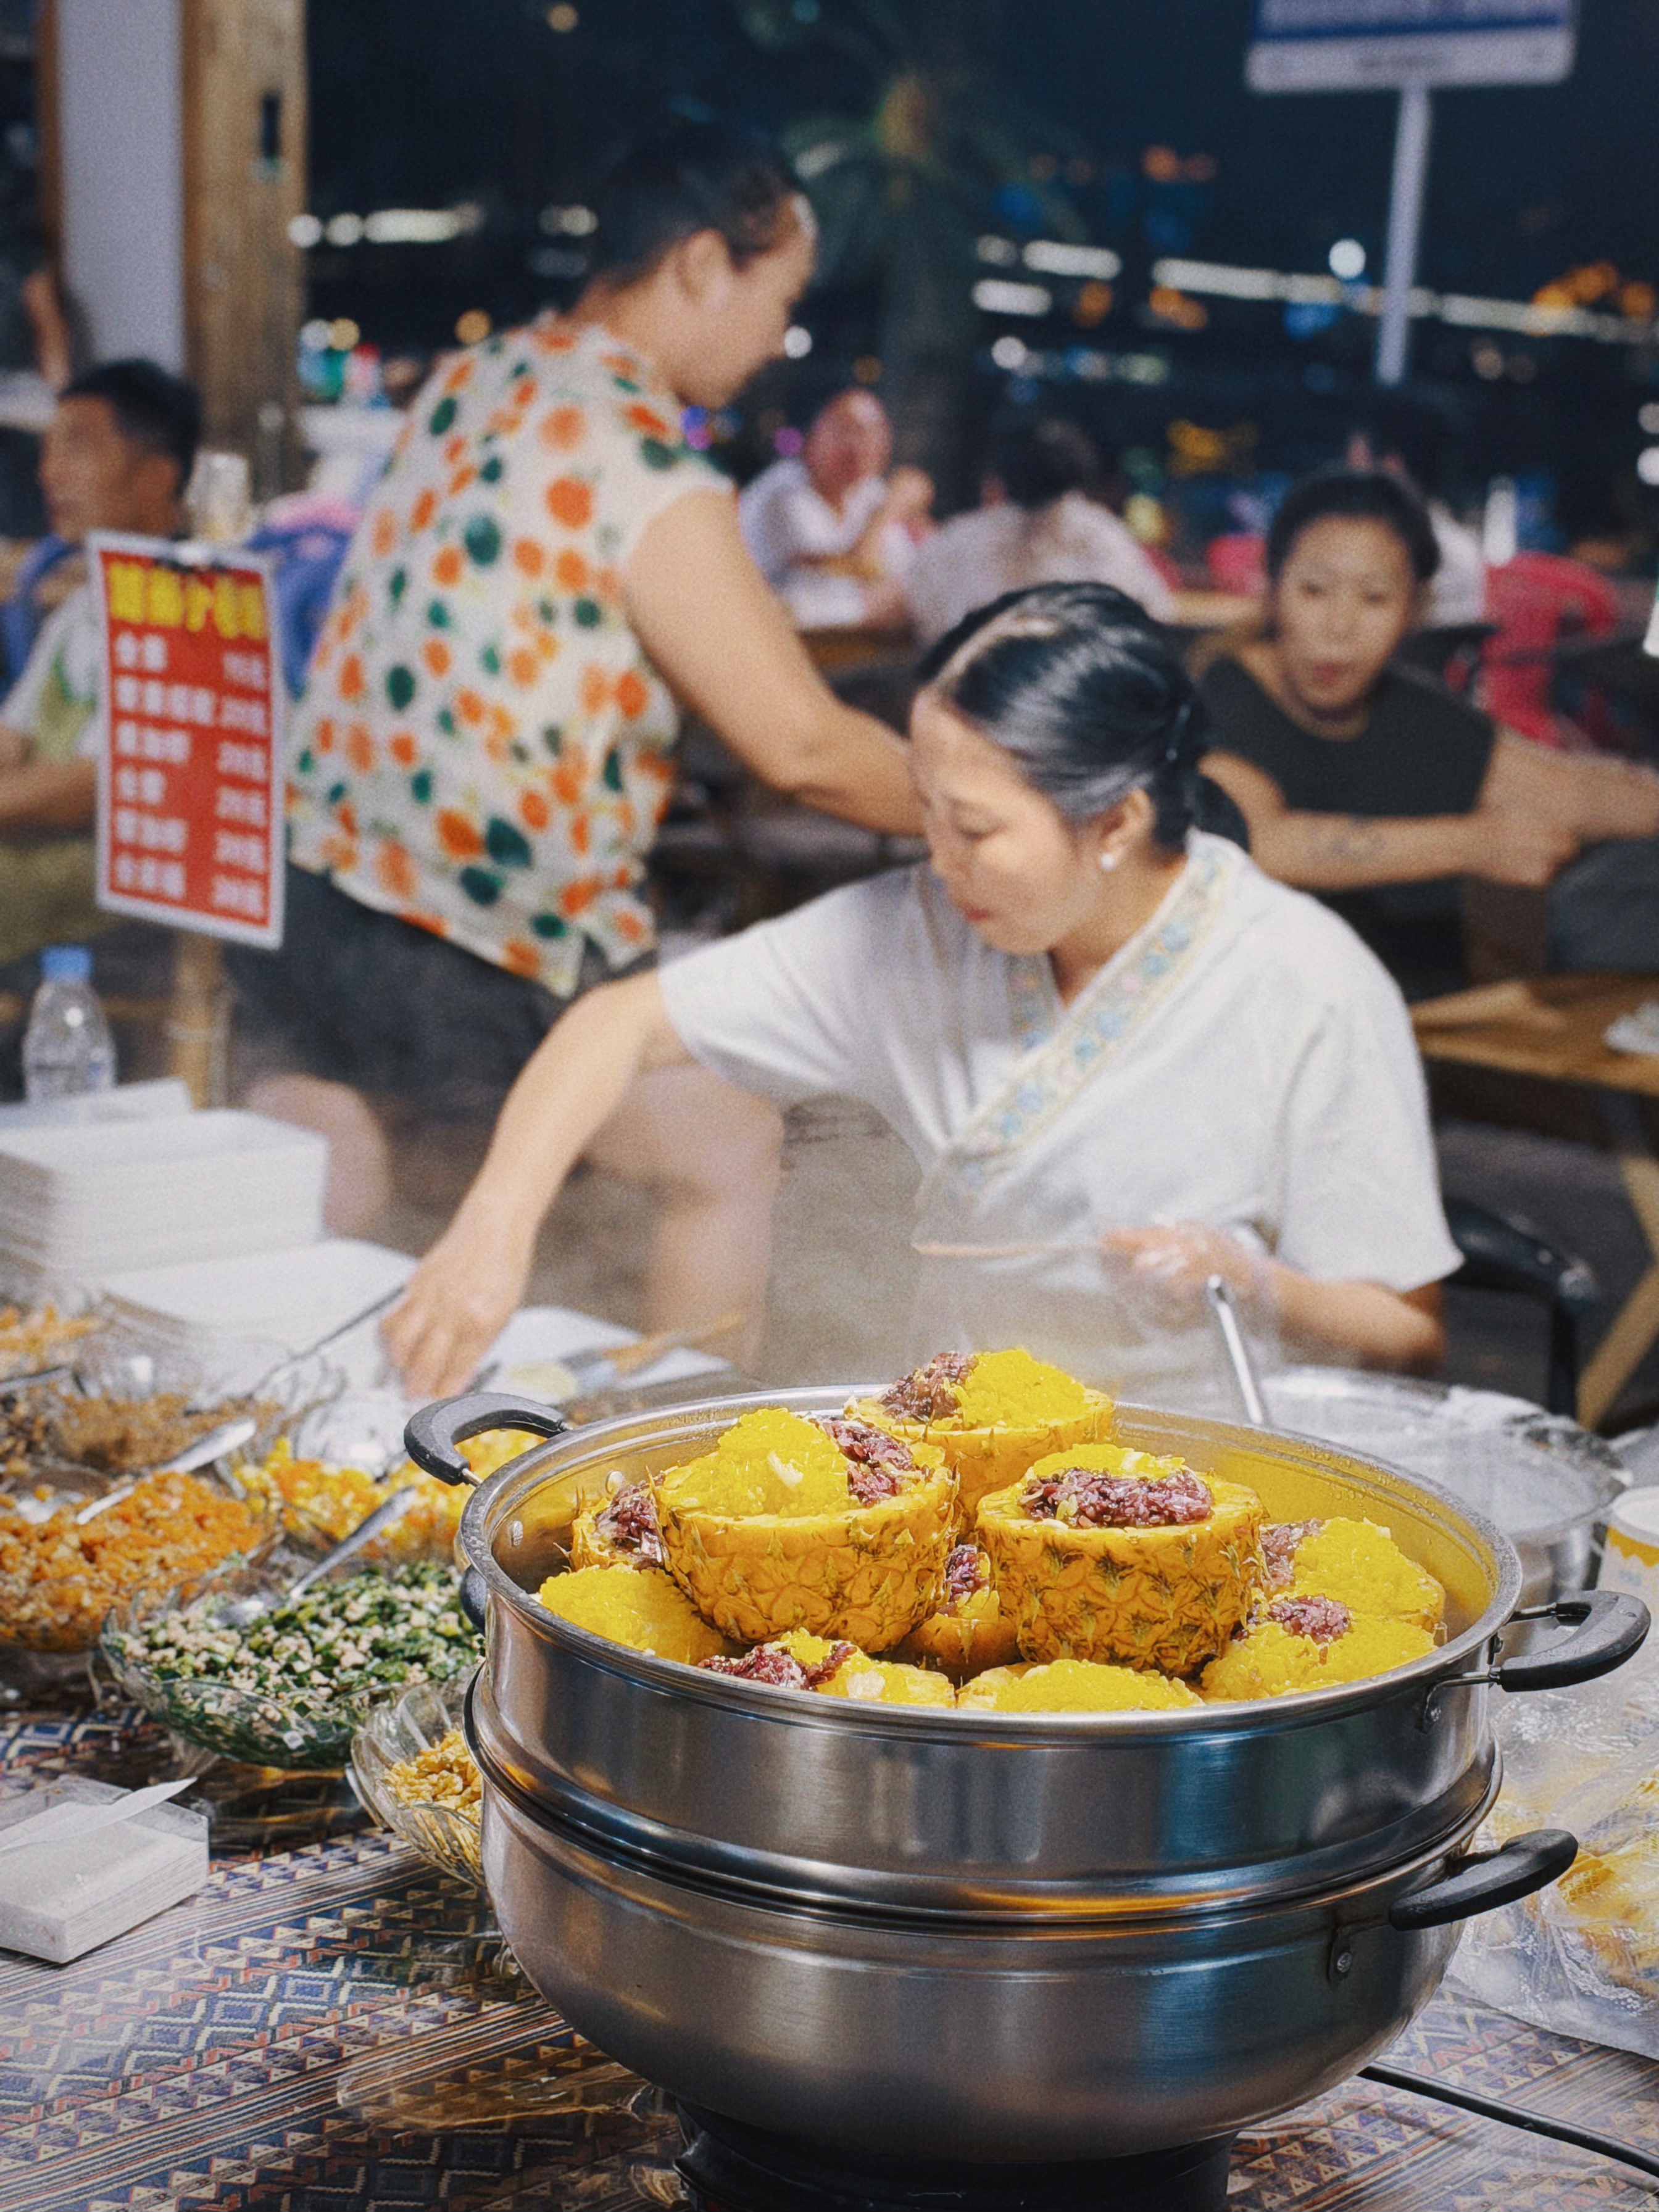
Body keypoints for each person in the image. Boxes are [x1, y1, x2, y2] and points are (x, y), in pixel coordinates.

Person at [386, 582, 1456, 1407]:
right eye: (925, 812)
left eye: (977, 829)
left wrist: (1249, 1281)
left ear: (1117, 822)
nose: (936, 860)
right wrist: (492, 1228)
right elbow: (619, 1022)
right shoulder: (919, 930)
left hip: (1190, 1474)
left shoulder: (1305, 981)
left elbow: (1406, 1327)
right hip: (952, 1447)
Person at [230, 120, 921, 1346]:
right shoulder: (641, 460)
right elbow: (802, 745)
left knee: (345, 1172)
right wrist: (1008, 811)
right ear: (704, 265)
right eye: (782, 297)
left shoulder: (476, 377)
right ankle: (687, 1483)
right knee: (730, 1142)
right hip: (476, 951)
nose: (781, 338)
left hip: (314, 909)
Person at [1197, 469, 1659, 995]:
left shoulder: (1407, 711)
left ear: (1414, 610)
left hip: (1404, 1018)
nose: (1339, 626)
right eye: (1314, 590)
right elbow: (1259, 841)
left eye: (1374, 598)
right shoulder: (1226, 687)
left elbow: (1570, 791)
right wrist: (1472, 843)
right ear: (1274, 588)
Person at [0, 359, 198, 966]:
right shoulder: (84, 601)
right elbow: (13, 739)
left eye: (77, 448)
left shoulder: (189, 605)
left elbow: (99, 789)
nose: (50, 473)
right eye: (49, 450)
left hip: (121, 880)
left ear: (156, 477)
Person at [905, 415, 1176, 647]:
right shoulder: (1104, 536)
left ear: (998, 479)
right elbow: (1157, 613)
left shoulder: (961, 538)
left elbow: (929, 621)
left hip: (975, 692)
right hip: (1076, 694)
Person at [739, 387, 932, 629]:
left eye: (875, 431)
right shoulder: (781, 495)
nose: (863, 444)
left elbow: (911, 572)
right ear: (811, 436)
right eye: (847, 429)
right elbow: (836, 586)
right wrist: (890, 511)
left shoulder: (867, 491)